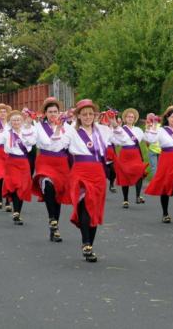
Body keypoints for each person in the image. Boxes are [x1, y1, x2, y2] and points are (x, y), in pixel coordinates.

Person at [63, 99, 129, 262]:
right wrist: (58, 129)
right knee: (85, 204)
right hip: (80, 171)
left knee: (94, 207)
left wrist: (114, 124)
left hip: (98, 172)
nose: (87, 117)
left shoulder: (104, 130)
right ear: (78, 115)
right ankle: (86, 242)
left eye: (90, 114)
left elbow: (123, 140)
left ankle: (89, 245)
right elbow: (58, 144)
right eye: (84, 114)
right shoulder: (70, 130)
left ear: (95, 115)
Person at [32, 97, 72, 242]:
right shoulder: (37, 126)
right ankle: (52, 219)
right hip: (45, 160)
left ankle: (55, 227)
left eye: (55, 111)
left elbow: (69, 143)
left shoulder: (67, 126)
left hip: (61, 162)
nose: (53, 114)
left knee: (58, 195)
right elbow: (35, 141)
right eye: (50, 112)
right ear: (45, 113)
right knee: (48, 187)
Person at [0, 110, 37, 225]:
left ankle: (18, 212)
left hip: (23, 161)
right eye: (13, 120)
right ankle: (16, 210)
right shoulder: (6, 133)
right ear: (10, 122)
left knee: (22, 187)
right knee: (14, 184)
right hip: (11, 161)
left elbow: (32, 142)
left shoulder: (26, 131)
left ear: (22, 121)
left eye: (18, 120)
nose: (16, 122)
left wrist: (28, 128)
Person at [114, 108, 148, 208]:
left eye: (132, 117)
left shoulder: (138, 130)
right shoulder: (121, 129)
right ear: (125, 118)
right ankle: (125, 200)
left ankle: (138, 196)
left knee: (139, 172)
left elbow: (146, 139)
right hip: (125, 153)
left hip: (135, 153)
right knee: (124, 175)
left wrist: (150, 128)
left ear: (134, 119)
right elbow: (117, 141)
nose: (130, 118)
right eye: (128, 116)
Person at [144, 113, 161, 177]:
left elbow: (147, 140)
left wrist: (148, 147)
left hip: (152, 149)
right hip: (161, 149)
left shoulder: (148, 126)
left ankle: (155, 182)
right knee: (160, 167)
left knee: (154, 167)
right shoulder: (160, 125)